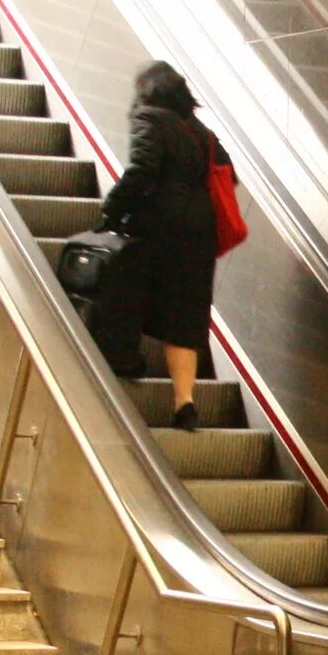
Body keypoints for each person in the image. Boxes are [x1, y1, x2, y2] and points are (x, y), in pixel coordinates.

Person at [93, 61, 227, 431]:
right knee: (185, 314)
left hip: (159, 221)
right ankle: (184, 402)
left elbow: (142, 169)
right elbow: (226, 173)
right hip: (200, 230)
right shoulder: (201, 132)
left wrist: (112, 209)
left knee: (126, 287)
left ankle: (124, 360)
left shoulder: (149, 119)